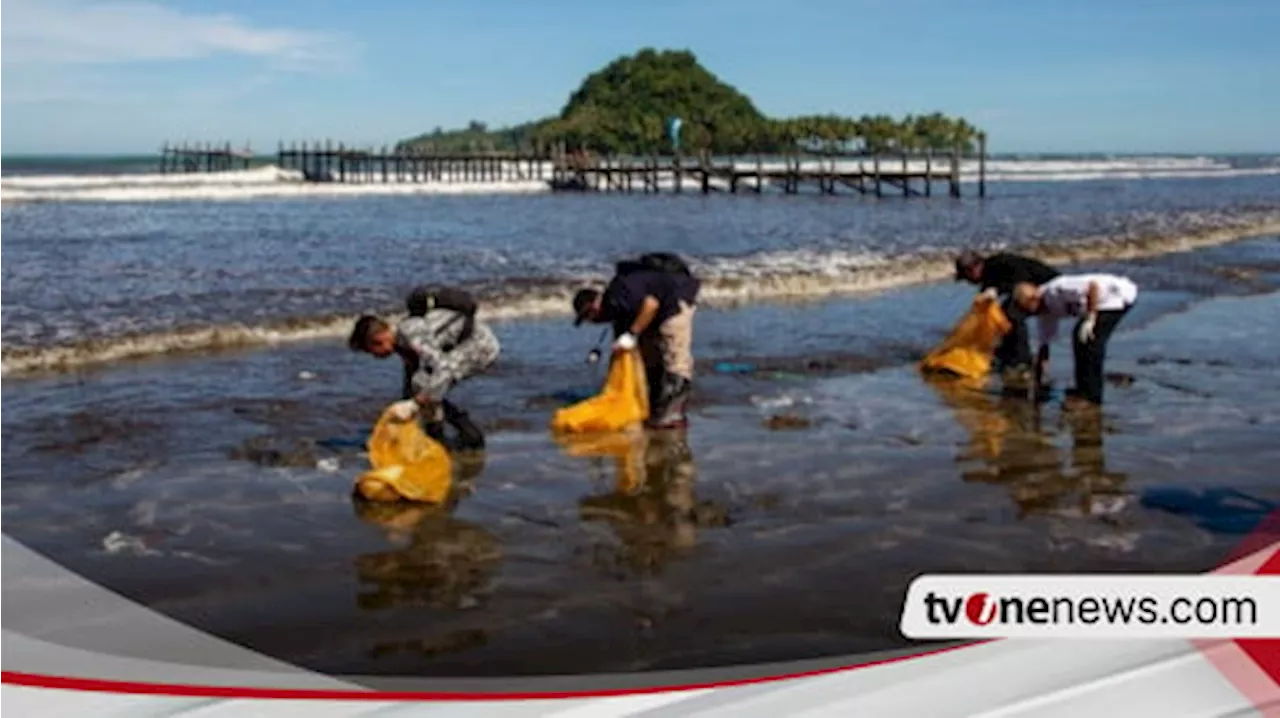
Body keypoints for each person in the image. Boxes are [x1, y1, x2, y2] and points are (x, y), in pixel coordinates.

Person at [347, 286, 499, 450]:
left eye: (371, 351)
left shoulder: (411, 335)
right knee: (421, 386)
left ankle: (463, 435)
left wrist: (415, 403)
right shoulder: (401, 343)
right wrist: (408, 406)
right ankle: (439, 436)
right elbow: (410, 383)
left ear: (378, 339)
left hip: (480, 346)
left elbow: (443, 368)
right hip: (460, 346)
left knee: (428, 385)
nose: (375, 357)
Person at [572, 253, 701, 429]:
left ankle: (674, 413)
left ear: (594, 307)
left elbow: (651, 304)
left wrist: (632, 334)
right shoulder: (616, 310)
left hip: (676, 299)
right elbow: (623, 344)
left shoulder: (620, 293)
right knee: (650, 356)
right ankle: (655, 404)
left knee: (674, 356)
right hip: (657, 308)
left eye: (590, 318)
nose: (593, 323)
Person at [1012, 273, 1138, 408]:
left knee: (1090, 341)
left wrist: (1090, 318)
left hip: (1116, 296)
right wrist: (1038, 382)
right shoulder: (1044, 311)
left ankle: (1091, 397)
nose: (1031, 314)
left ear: (1034, 299)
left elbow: (1093, 286)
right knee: (1079, 337)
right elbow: (1044, 346)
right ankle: (1082, 389)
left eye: (1028, 309)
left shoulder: (1057, 289)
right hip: (1097, 304)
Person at [955, 250, 1060, 374]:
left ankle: (1022, 360)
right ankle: (1007, 353)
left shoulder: (1001, 263)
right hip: (1031, 291)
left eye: (967, 277)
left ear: (974, 268)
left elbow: (1021, 281)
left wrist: (997, 290)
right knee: (1003, 313)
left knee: (1012, 313)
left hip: (1052, 288)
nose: (968, 282)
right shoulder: (987, 276)